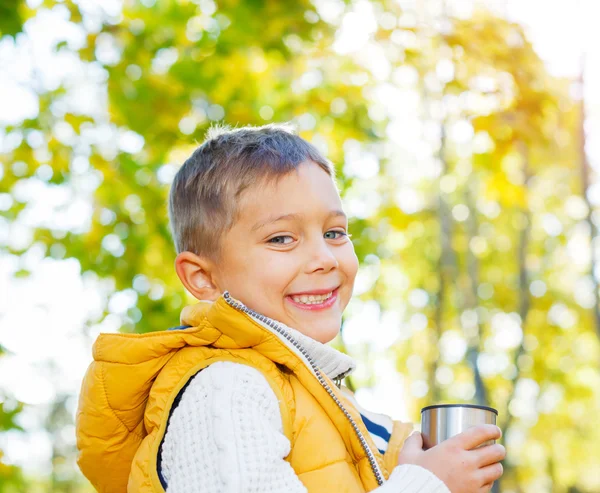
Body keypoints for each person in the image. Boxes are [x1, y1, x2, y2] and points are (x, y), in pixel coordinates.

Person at [76, 123, 505, 493]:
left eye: (335, 232)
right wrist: (426, 485)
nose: (325, 258)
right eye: (281, 238)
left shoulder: (323, 398)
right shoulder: (226, 389)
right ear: (202, 278)